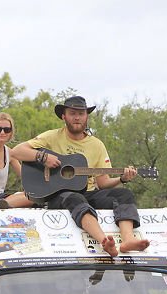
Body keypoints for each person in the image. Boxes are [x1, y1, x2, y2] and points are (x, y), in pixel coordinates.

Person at [10, 96, 149, 257]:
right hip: (58, 195)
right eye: (72, 113)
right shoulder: (52, 136)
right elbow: (17, 151)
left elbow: (102, 182)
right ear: (64, 116)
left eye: (81, 113)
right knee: (74, 197)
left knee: (124, 194)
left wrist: (122, 179)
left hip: (88, 193)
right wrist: (43, 157)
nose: (77, 117)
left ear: (86, 116)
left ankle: (127, 240)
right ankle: (104, 241)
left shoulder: (96, 145)